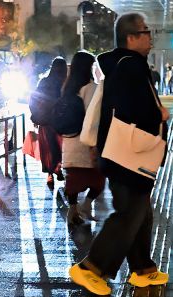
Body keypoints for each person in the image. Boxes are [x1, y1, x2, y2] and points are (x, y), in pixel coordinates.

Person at [69, 12, 170, 296]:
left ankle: (142, 270)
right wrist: (158, 114)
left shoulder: (120, 65)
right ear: (131, 38)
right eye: (146, 32)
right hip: (127, 156)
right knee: (128, 213)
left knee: (140, 213)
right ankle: (91, 268)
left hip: (120, 153)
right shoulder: (130, 66)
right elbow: (132, 110)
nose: (150, 38)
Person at [59, 51, 106, 227]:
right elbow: (95, 117)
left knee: (73, 180)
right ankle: (86, 205)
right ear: (89, 67)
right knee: (97, 179)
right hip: (88, 143)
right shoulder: (92, 88)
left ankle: (73, 210)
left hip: (69, 142)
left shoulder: (67, 89)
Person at [30, 57, 68, 188]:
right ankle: (58, 168)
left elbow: (34, 99)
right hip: (61, 122)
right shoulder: (66, 83)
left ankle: (50, 174)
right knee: (60, 147)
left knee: (47, 148)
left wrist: (35, 115)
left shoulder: (44, 82)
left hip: (45, 121)